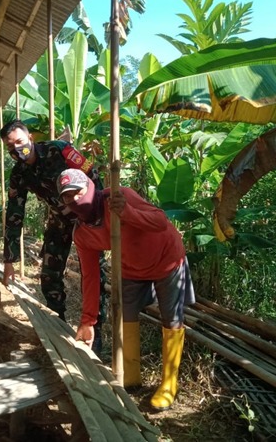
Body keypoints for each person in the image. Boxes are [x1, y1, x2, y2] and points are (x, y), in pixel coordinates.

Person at [56, 168, 195, 411]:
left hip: (167, 260)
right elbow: (90, 276)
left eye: (77, 192)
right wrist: (88, 320)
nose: (74, 199)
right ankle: (130, 376)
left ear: (90, 186)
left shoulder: (120, 197)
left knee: (171, 319)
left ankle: (169, 384)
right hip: (131, 268)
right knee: (126, 317)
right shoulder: (83, 233)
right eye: (67, 196)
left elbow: (160, 221)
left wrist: (128, 213)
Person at [0, 120, 107, 353]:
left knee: (94, 274)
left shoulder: (58, 150)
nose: (18, 149)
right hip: (59, 220)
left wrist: (96, 215)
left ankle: (94, 333)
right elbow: (14, 214)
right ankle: (56, 326)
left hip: (85, 218)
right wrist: (9, 261)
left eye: (20, 142)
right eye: (11, 147)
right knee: (49, 275)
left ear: (30, 138)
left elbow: (92, 172)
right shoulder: (19, 174)